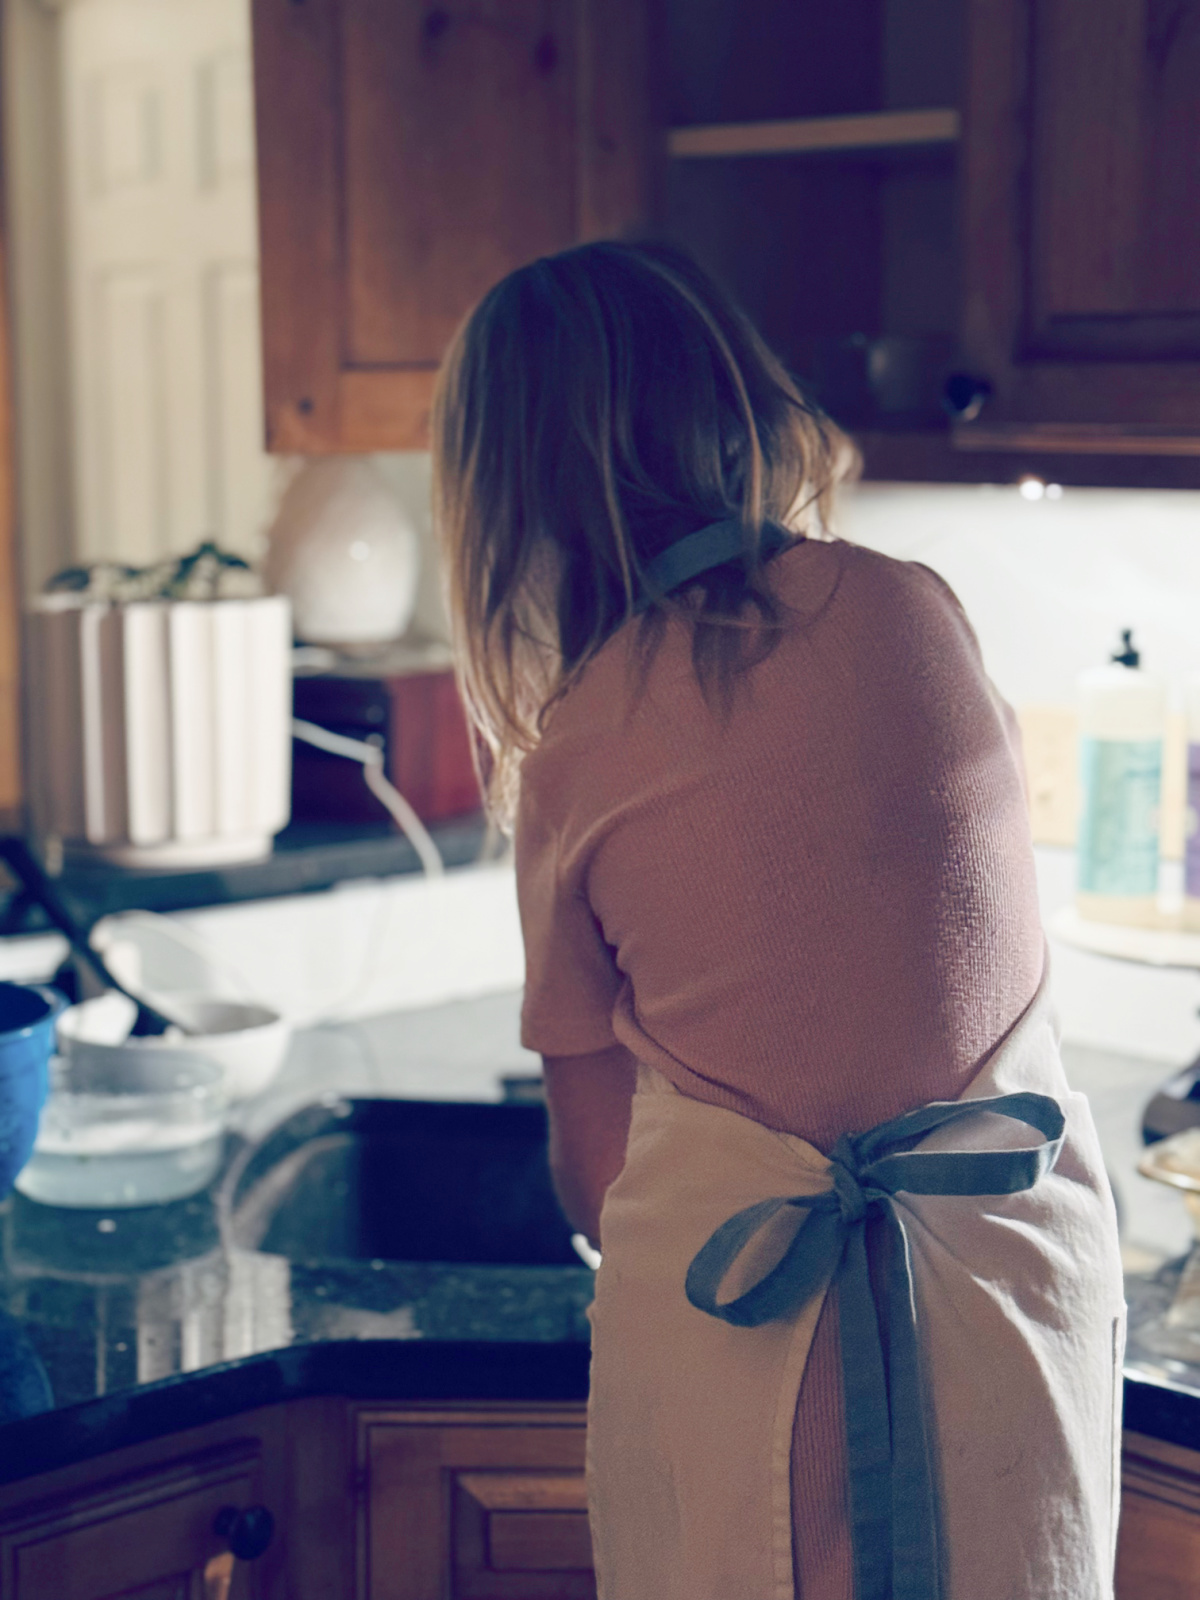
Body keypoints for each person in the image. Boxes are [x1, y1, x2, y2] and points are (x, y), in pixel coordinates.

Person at [431, 240, 1125, 1600]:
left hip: (760, 1353)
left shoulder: (581, 739)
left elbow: (598, 1173)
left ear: (506, 505)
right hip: (1007, 1324)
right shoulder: (910, 609)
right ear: (742, 406)